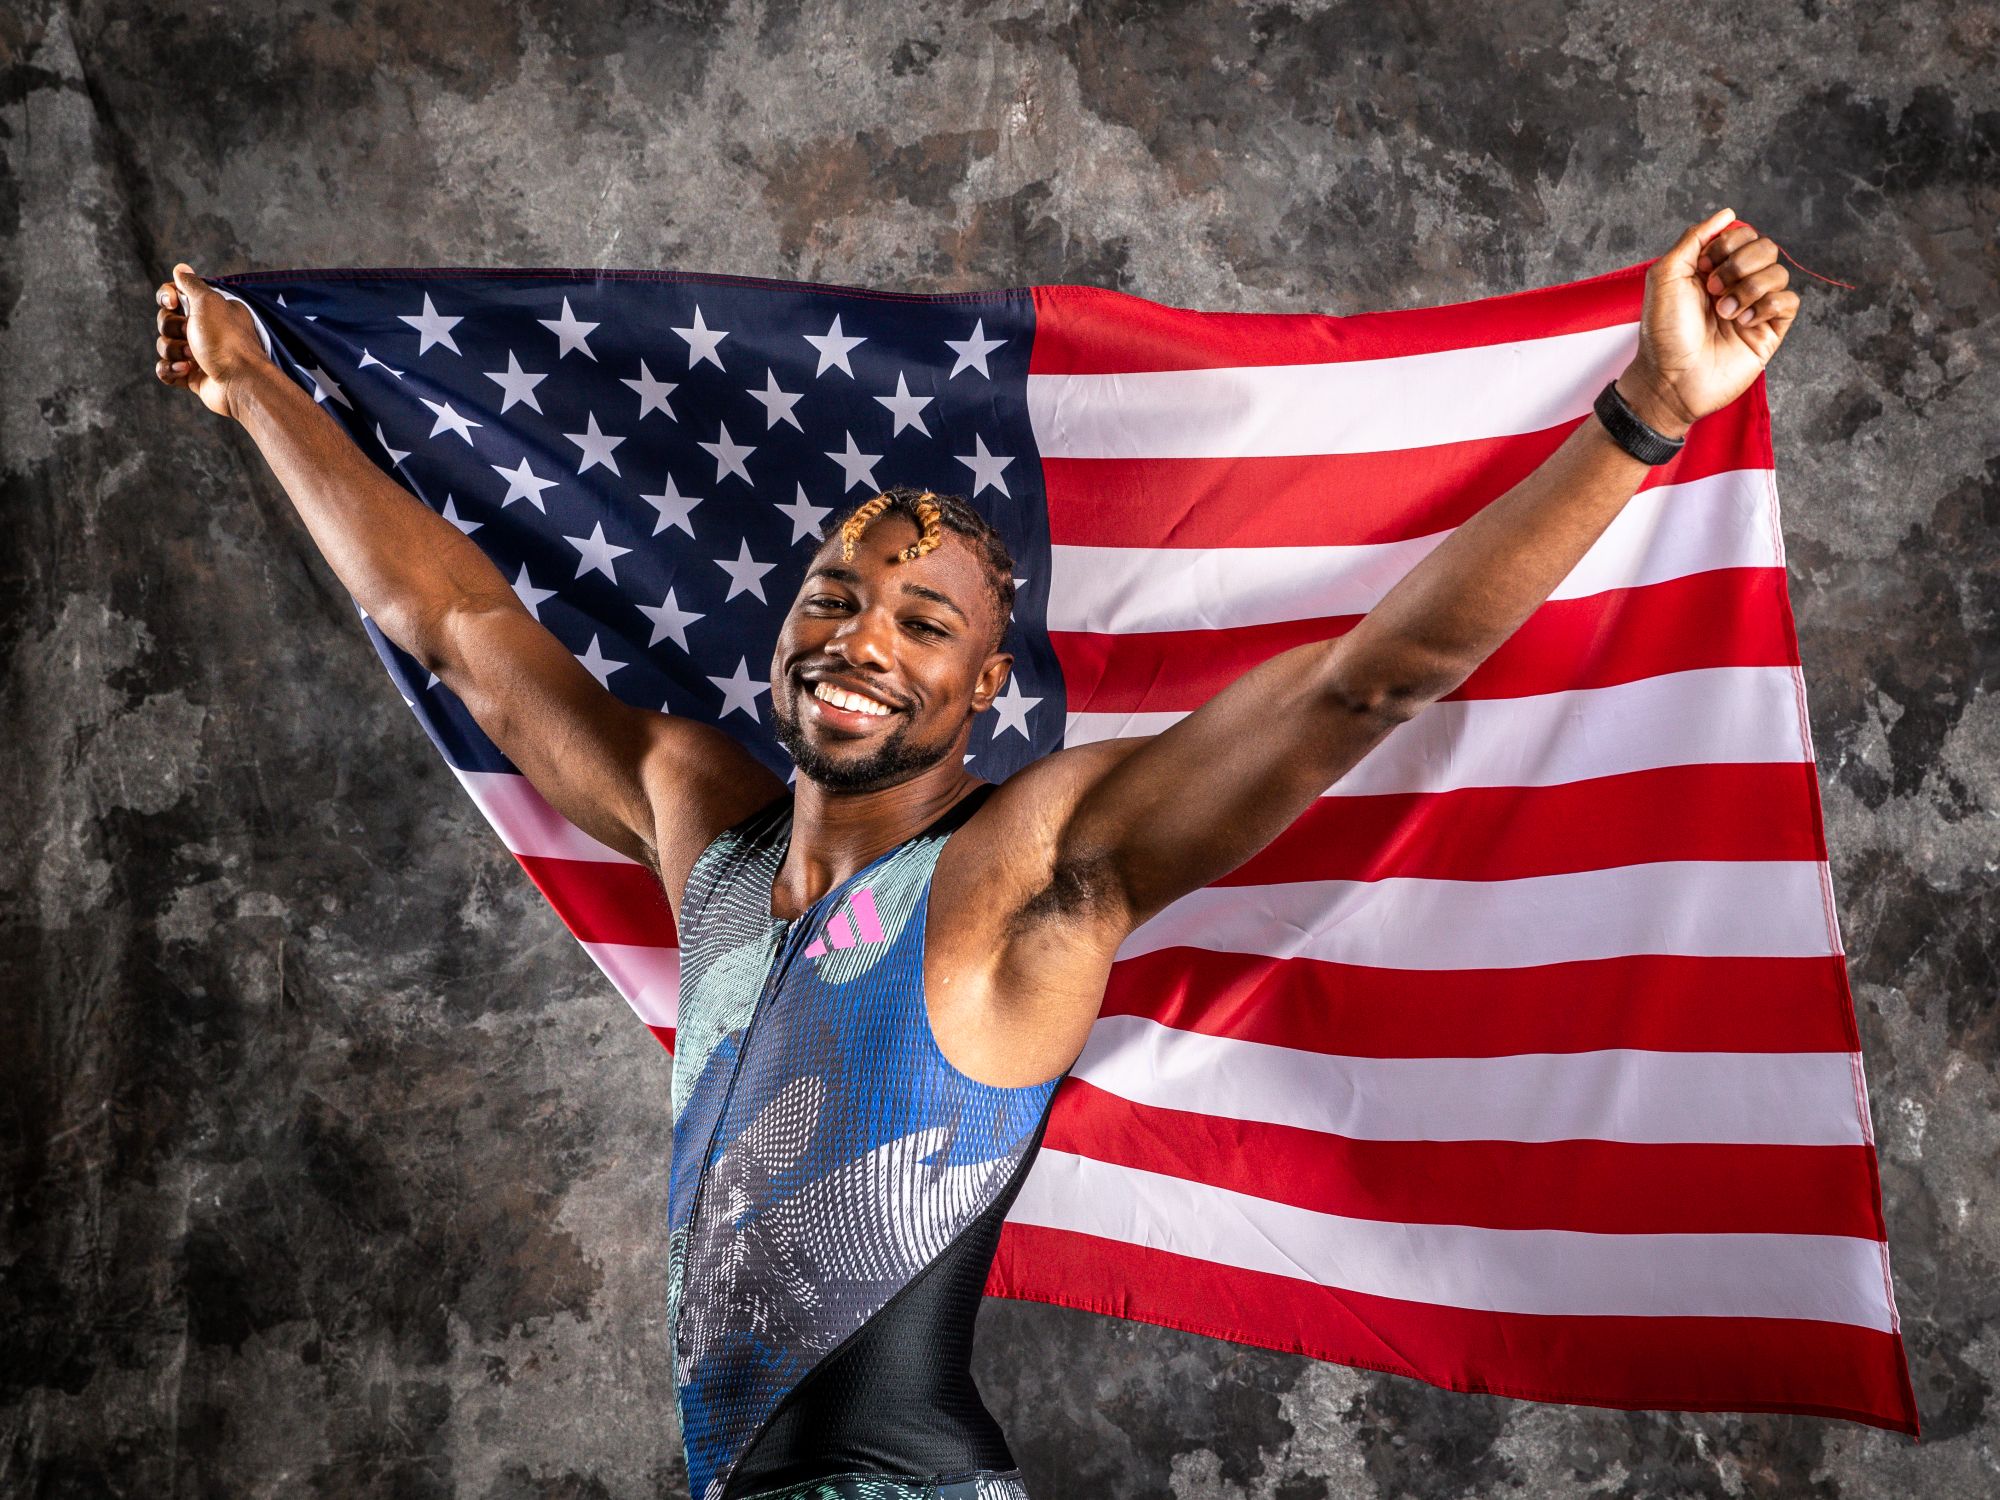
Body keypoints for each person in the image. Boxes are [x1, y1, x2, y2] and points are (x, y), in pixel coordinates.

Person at [151, 208, 1797, 1500]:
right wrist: (256, 394)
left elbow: (1365, 681)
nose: (865, 640)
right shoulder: (699, 826)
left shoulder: (1036, 869)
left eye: (923, 623)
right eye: (837, 602)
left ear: (980, 685)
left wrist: (1649, 409)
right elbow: (453, 622)